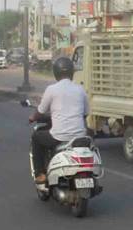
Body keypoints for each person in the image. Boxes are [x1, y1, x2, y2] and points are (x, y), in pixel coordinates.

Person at [29, 55, 89, 185]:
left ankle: (40, 174)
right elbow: (85, 113)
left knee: (36, 137)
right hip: (79, 136)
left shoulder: (51, 89)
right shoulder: (80, 89)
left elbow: (41, 111)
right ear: (72, 72)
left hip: (59, 136)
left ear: (55, 73)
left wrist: (32, 117)